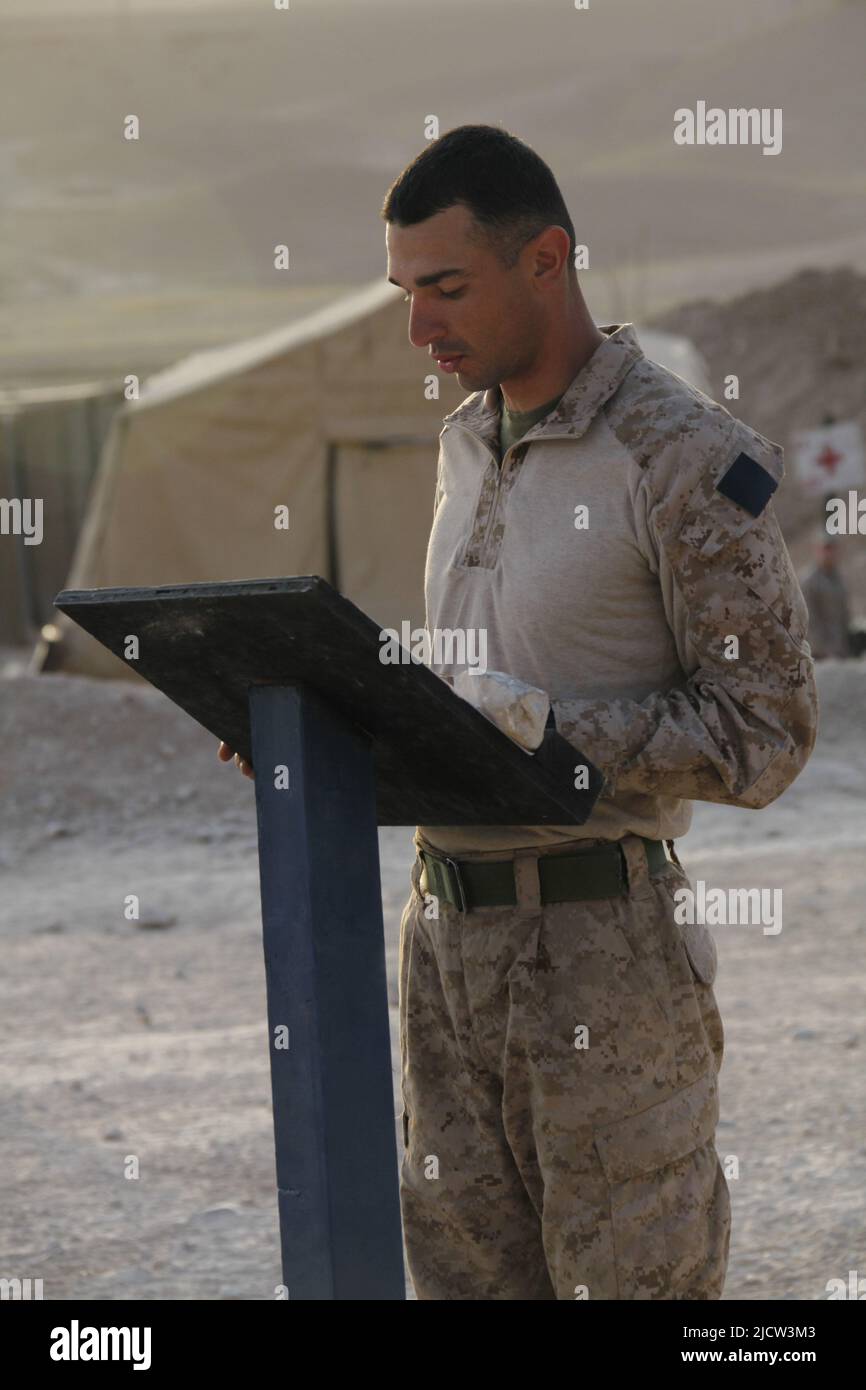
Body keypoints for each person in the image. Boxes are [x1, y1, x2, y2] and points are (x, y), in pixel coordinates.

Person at [220, 123, 819, 1301]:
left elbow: (766, 732)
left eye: (445, 287)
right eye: (403, 292)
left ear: (545, 259)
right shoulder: (464, 443)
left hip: (600, 950)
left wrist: (547, 727)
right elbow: (473, 692)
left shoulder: (683, 457)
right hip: (442, 942)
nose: (417, 328)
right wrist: (342, 733)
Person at [801, 536, 851, 659]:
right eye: (826, 549)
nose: (829, 554)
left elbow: (843, 614)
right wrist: (822, 650)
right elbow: (809, 619)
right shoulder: (809, 580)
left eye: (832, 549)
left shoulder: (838, 578)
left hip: (840, 649)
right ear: (817, 551)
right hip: (818, 653)